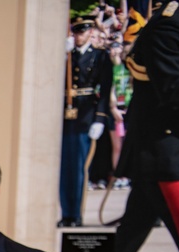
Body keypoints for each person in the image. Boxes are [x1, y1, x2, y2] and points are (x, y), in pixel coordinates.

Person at [75, 0, 179, 252]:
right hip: (167, 159)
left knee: (124, 242)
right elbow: (174, 90)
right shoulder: (171, 23)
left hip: (162, 157)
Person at [58, 16, 113, 227]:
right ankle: (66, 214)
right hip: (65, 116)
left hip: (85, 116)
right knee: (64, 169)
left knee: (79, 167)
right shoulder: (66, 56)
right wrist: (62, 57)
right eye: (76, 32)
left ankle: (77, 214)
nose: (79, 36)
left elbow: (105, 91)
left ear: (90, 32)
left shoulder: (100, 57)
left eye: (82, 32)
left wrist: (100, 118)